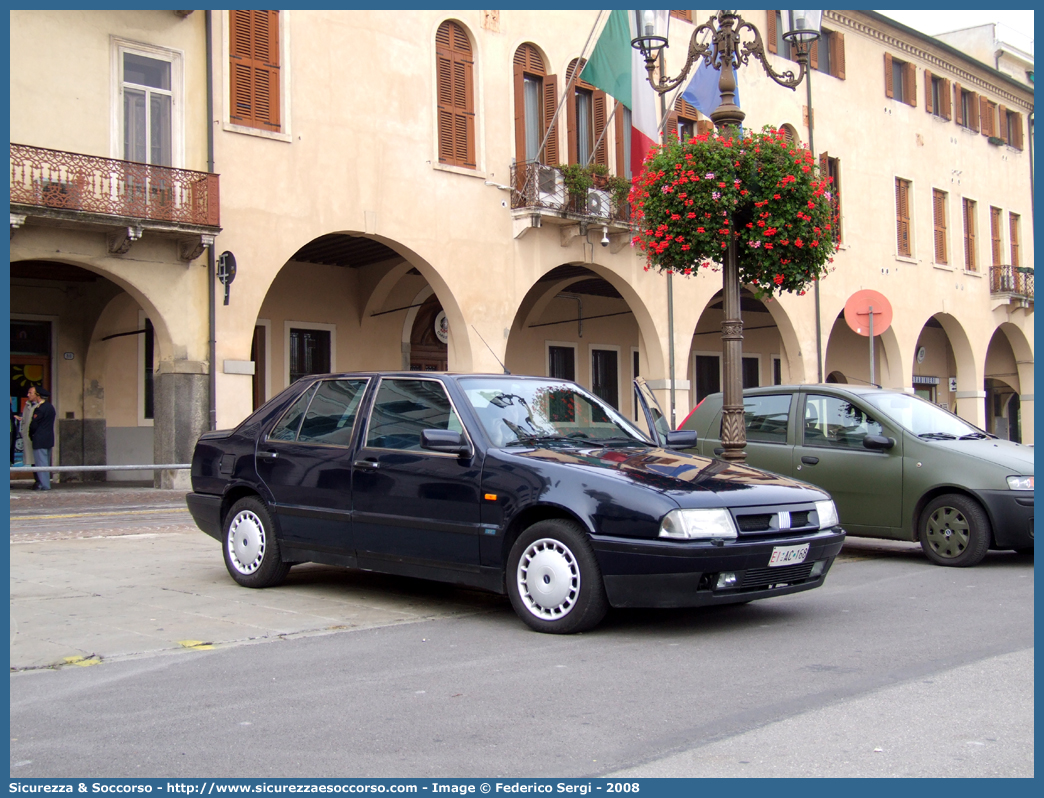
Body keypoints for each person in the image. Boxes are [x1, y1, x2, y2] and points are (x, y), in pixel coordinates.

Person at [27, 386, 56, 491]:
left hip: (39, 439)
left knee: (41, 464)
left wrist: (31, 435)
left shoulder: (40, 409)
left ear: (38, 395)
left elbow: (34, 425)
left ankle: (45, 485)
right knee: (46, 463)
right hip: (48, 439)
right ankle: (45, 484)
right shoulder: (50, 407)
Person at [13, 389, 40, 468]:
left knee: (38, 459)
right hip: (27, 436)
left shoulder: (40, 406)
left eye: (30, 393)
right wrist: (23, 431)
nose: (28, 395)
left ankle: (40, 479)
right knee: (31, 459)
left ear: (36, 394)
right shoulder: (27, 405)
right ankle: (36, 478)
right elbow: (24, 420)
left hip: (37, 437)